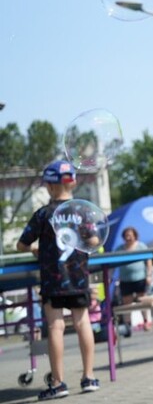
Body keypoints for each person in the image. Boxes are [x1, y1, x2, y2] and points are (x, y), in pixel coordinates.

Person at [16, 161, 100, 399]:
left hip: (53, 279)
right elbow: (94, 241)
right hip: (78, 277)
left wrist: (34, 248)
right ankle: (89, 377)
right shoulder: (83, 211)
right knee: (83, 322)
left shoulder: (43, 214)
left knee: (55, 326)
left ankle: (59, 383)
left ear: (50, 187)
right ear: (72, 182)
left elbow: (21, 244)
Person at [116, 226, 153, 331]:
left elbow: (148, 261)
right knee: (127, 303)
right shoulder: (120, 248)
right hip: (125, 279)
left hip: (140, 278)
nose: (128, 237)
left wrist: (149, 275)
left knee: (142, 301)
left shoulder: (141, 246)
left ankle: (146, 321)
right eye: (126, 235)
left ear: (134, 236)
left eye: (130, 235)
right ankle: (127, 325)